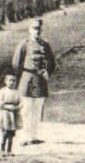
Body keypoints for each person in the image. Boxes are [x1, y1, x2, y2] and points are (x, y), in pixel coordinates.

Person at [11, 16, 56, 144]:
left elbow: (52, 61)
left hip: (40, 80)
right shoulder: (24, 44)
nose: (36, 32)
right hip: (27, 79)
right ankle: (25, 136)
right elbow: (16, 63)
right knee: (25, 109)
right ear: (29, 30)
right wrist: (20, 79)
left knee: (37, 109)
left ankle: (34, 136)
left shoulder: (44, 45)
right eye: (34, 29)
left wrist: (47, 71)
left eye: (38, 29)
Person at [0, 72, 22, 157]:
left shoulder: (17, 92)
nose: (12, 82)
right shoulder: (2, 91)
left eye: (14, 80)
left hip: (14, 113)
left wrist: (18, 107)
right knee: (5, 132)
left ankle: (9, 150)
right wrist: (7, 107)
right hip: (5, 113)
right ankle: (2, 149)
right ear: (5, 81)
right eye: (10, 80)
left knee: (12, 132)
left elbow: (21, 102)